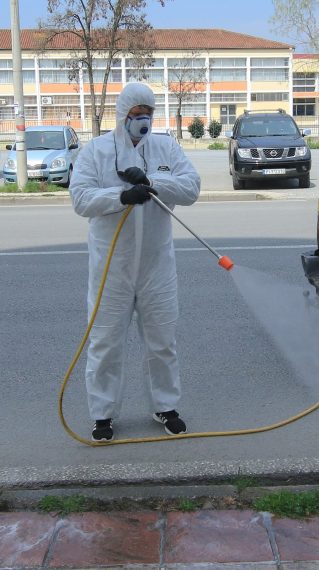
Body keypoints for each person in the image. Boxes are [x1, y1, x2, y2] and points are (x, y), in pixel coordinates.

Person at [69, 83, 201, 442]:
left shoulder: (165, 147)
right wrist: (121, 195)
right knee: (105, 342)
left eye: (148, 113)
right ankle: (102, 414)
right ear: (122, 115)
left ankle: (165, 405)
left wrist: (154, 182)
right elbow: (80, 199)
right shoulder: (96, 151)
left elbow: (191, 187)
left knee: (162, 340)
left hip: (157, 266)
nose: (142, 120)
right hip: (112, 269)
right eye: (136, 114)